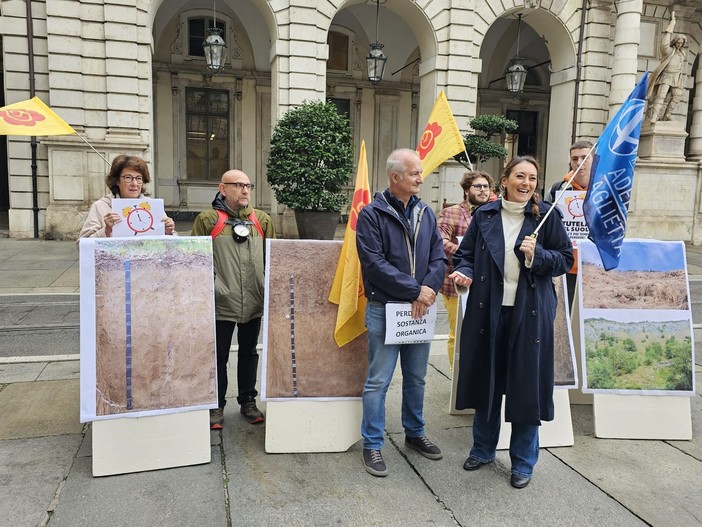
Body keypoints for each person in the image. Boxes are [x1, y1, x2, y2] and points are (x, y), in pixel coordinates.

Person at [450, 156, 573, 489]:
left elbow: (565, 259)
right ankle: (483, 449)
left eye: (532, 178)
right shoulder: (485, 215)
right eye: (520, 176)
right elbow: (466, 254)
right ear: (503, 180)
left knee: (525, 389)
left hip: (529, 315)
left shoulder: (546, 216)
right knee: (487, 383)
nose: (526, 183)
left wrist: (538, 256)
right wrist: (463, 271)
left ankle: (523, 462)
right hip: (487, 311)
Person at [355, 148, 447, 477]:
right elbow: (374, 264)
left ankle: (414, 433)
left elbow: (439, 257)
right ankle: (373, 444)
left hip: (419, 310)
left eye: (420, 173)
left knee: (417, 378)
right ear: (396, 178)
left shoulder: (426, 212)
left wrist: (429, 291)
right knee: (378, 381)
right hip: (386, 310)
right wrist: (415, 290)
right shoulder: (371, 214)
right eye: (414, 174)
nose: (421, 178)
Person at [191, 170, 275, 429]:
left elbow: (272, 259)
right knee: (219, 354)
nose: (245, 190)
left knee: (250, 352)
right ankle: (216, 405)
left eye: (248, 185)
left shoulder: (261, 219)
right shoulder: (207, 220)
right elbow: (196, 260)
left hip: (254, 299)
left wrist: (268, 289)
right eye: (238, 185)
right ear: (223, 188)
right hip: (220, 301)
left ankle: (248, 401)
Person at [437, 171, 494, 374]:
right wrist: (469, 254)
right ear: (466, 190)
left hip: (488, 283)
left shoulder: (494, 213)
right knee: (458, 332)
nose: (483, 190)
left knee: (485, 331)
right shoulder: (452, 213)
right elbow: (440, 241)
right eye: (478, 186)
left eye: (486, 187)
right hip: (457, 283)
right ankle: (457, 376)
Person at [79, 154, 176, 238]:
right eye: (128, 177)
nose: (134, 183)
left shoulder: (152, 206)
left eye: (139, 178)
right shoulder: (100, 206)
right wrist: (106, 230)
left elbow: (174, 244)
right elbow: (82, 245)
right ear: (117, 180)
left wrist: (168, 232)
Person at [547, 140, 593, 308]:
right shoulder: (558, 189)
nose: (579, 163)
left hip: (595, 267)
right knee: (566, 318)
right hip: (567, 268)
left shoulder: (606, 190)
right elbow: (545, 222)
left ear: (594, 160)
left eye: (584, 157)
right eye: (574, 159)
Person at [647, 11, 687, 123]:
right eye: (678, 42)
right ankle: (654, 116)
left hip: (676, 78)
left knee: (678, 96)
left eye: (681, 43)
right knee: (661, 96)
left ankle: (666, 115)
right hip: (666, 76)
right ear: (675, 42)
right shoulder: (669, 51)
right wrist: (672, 25)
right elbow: (664, 43)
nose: (679, 44)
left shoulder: (682, 53)